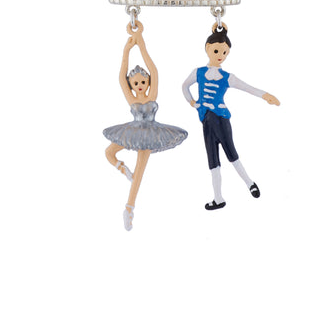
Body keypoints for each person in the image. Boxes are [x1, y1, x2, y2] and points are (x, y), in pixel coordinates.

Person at [182, 23, 280, 210]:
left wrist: (264, 95)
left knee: (231, 153)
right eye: (216, 51)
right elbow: (184, 86)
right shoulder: (198, 72)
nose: (220, 55)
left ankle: (250, 183)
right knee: (212, 160)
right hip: (206, 120)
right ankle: (218, 198)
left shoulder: (228, 77)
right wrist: (193, 103)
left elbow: (248, 88)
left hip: (221, 118)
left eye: (224, 53)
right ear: (207, 48)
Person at [104, 21, 187, 230]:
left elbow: (154, 71)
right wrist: (126, 51)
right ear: (131, 86)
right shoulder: (131, 99)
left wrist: (141, 45)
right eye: (136, 83)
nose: (140, 85)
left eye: (143, 82)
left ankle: (129, 208)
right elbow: (121, 78)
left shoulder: (151, 95)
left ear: (148, 82)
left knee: (140, 170)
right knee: (109, 152)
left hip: (151, 134)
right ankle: (123, 169)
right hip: (132, 132)